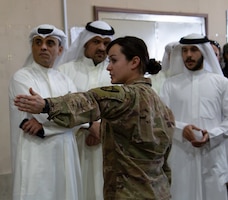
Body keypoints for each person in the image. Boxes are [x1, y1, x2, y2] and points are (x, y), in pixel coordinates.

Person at [14, 36, 175, 200]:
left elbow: (89, 101)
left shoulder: (124, 96)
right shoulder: (163, 107)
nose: (109, 67)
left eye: (113, 60)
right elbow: (165, 164)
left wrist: (46, 105)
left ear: (134, 62)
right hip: (159, 192)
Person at [9, 24, 83, 200]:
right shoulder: (21, 77)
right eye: (38, 42)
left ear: (59, 50)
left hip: (65, 153)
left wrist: (45, 128)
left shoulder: (66, 81)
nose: (43, 47)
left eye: (50, 43)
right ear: (32, 47)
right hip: (36, 153)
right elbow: (60, 115)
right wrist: (66, 121)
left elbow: (79, 116)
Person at [160, 33, 228, 200]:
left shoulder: (221, 83)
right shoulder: (170, 85)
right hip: (181, 155)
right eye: (184, 50)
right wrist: (182, 130)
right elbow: (161, 117)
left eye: (194, 50)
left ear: (204, 52)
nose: (188, 55)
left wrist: (211, 135)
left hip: (213, 154)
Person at [58, 20, 115, 200]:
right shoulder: (64, 71)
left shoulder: (114, 72)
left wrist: (102, 128)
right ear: (85, 42)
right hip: (74, 145)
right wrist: (87, 126)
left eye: (106, 43)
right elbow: (59, 108)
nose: (101, 47)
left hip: (109, 146)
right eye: (96, 41)